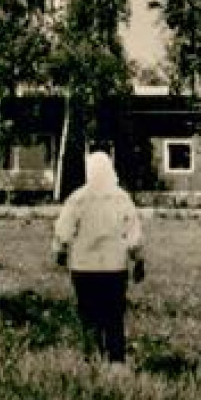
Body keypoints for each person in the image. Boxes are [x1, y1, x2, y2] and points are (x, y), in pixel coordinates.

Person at [52, 150, 145, 365]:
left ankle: (92, 358)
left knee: (89, 315)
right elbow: (134, 235)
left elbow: (63, 232)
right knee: (114, 316)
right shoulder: (122, 198)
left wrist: (60, 253)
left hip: (84, 268)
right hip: (115, 267)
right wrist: (138, 260)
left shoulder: (77, 198)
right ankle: (116, 361)